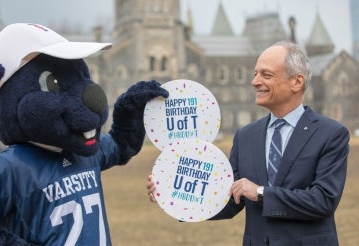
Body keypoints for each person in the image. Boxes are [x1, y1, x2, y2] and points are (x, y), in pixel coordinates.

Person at [147, 40, 350, 245]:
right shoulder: (245, 136)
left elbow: (323, 200)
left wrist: (261, 193)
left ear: (297, 82)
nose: (255, 82)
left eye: (266, 75)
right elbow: (228, 200)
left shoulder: (331, 134)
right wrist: (174, 197)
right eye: (255, 74)